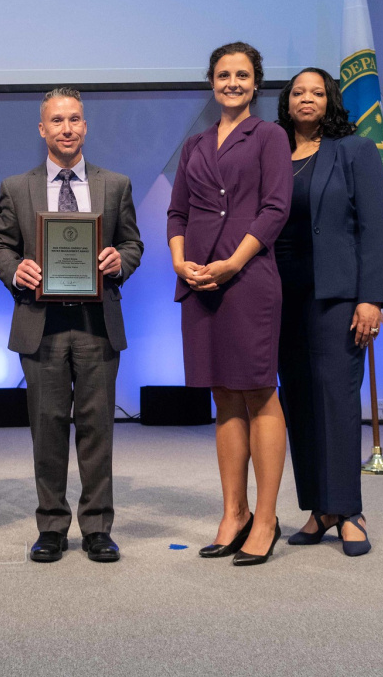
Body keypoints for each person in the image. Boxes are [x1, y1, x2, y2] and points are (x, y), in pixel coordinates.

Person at [0, 87, 143, 563]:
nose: (67, 129)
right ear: (42, 129)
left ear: (85, 126)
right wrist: (16, 271)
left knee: (98, 428)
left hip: (97, 324)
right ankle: (52, 527)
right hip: (41, 325)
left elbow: (134, 245)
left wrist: (120, 260)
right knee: (48, 427)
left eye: (75, 119)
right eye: (57, 121)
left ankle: (98, 527)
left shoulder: (115, 184)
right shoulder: (17, 188)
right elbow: (2, 248)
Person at [166, 42, 292, 566]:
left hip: (248, 279)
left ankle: (266, 519)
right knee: (223, 397)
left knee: (259, 393)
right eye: (223, 75)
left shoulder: (269, 136)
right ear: (211, 82)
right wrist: (179, 262)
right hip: (199, 284)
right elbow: (177, 213)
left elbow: (275, 208)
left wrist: (232, 263)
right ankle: (233, 513)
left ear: (255, 83)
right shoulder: (194, 144)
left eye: (242, 75)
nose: (232, 83)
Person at [275, 68, 383, 557]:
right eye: (298, 92)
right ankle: (319, 508)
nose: (307, 99)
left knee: (337, 399)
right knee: (298, 400)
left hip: (338, 295)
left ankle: (348, 510)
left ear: (331, 100)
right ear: (286, 102)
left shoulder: (354, 150)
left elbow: (377, 226)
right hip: (279, 296)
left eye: (316, 92)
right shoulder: (273, 153)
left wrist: (371, 298)